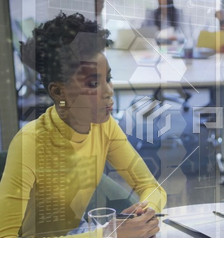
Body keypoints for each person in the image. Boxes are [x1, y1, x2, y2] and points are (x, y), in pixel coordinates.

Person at [0, 12, 167, 238]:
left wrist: (145, 212)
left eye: (108, 78)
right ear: (59, 92)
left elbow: (153, 188)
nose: (109, 92)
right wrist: (109, 235)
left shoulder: (104, 127)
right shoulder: (29, 143)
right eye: (93, 83)